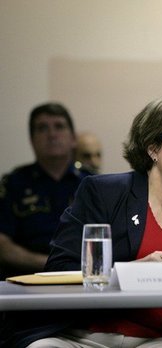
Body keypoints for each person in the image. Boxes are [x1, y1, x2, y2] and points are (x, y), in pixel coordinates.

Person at [1, 95, 162, 348]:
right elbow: (59, 269)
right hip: (78, 335)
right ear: (153, 148)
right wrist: (128, 274)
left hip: (154, 340)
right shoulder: (103, 193)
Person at [0, 102, 90, 280]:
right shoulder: (13, 184)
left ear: (73, 139)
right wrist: (50, 265)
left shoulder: (91, 183)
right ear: (32, 140)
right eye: (42, 128)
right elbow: (2, 245)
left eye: (59, 126)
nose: (52, 134)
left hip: (82, 281)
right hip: (25, 280)